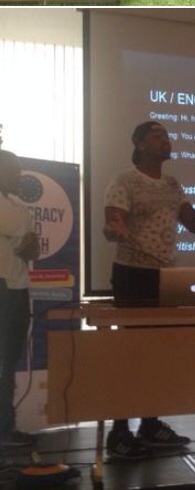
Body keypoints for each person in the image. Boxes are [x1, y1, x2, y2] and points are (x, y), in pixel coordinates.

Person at [103, 121, 195, 459]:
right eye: (157, 135)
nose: (166, 140)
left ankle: (150, 424)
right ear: (139, 144)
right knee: (132, 355)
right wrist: (115, 230)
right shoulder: (125, 181)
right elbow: (111, 225)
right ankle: (119, 431)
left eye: (167, 135)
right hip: (133, 275)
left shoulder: (173, 185)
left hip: (165, 277)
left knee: (158, 354)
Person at [0, 150, 40, 448]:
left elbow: (32, 248)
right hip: (2, 286)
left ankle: (6, 426)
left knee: (10, 359)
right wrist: (24, 237)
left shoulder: (17, 205)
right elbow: (19, 231)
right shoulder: (15, 210)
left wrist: (24, 240)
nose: (19, 176)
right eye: (13, 170)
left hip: (18, 286)